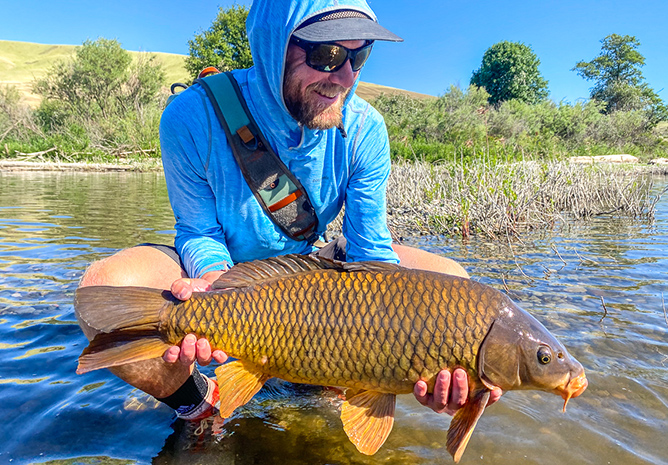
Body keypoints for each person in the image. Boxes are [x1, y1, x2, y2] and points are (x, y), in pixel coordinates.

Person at [76, 0, 501, 424]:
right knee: (103, 286)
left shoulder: (365, 129)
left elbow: (371, 257)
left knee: (455, 288)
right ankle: (198, 404)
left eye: (360, 55)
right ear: (274, 45)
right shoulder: (190, 116)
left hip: (304, 270)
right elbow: (198, 230)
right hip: (219, 266)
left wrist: (410, 355)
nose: (346, 77)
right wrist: (215, 285)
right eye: (328, 55)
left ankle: (332, 378)